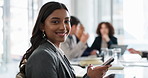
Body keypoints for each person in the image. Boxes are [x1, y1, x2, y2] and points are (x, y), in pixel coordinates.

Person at [17, 2, 111, 78]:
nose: (63, 27)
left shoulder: (55, 51)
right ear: (42, 26)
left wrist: (90, 76)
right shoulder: (43, 56)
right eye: (55, 22)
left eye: (66, 21)